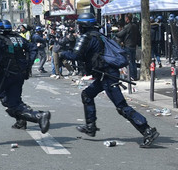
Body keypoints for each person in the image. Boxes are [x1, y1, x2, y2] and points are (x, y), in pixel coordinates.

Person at [60, 13, 159, 148]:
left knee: (121, 107)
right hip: (104, 74)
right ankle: (90, 126)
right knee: (87, 94)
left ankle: (147, 130)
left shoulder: (86, 37)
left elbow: (75, 55)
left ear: (83, 26)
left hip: (107, 75)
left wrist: (62, 52)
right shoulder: (98, 35)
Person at [0, 18, 51, 145]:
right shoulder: (16, 37)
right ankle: (38, 116)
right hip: (18, 75)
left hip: (2, 76)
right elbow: (32, 48)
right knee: (13, 104)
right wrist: (27, 64)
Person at [115, 13, 139, 80]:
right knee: (133, 61)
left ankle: (132, 75)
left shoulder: (127, 26)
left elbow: (120, 34)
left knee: (130, 61)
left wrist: (116, 33)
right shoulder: (135, 26)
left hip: (128, 45)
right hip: (133, 45)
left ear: (127, 19)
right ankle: (135, 75)